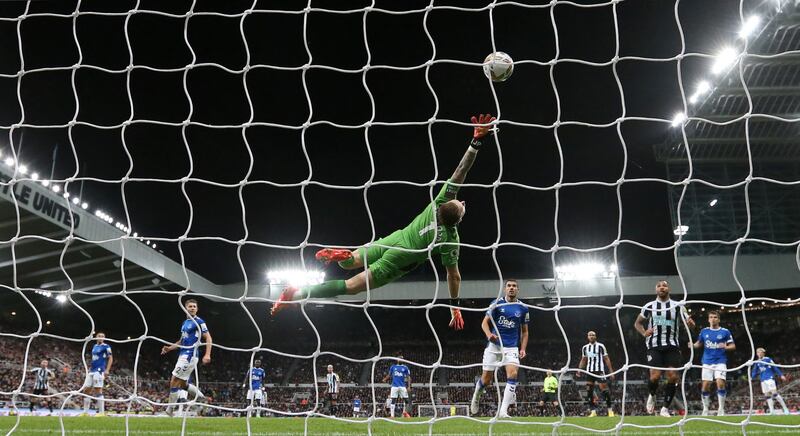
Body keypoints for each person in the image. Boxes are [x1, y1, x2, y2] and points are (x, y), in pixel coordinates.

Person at [271, 114, 500, 331]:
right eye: (462, 205)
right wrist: (454, 306)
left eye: (461, 204)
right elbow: (454, 275)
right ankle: (295, 294)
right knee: (351, 287)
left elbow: (461, 170)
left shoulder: (438, 202)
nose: (462, 201)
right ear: (458, 222)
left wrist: (476, 141)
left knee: (350, 264)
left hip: (392, 239)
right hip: (398, 260)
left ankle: (347, 256)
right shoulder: (451, 239)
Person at [634, 280, 695, 417]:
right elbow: (637, 323)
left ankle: (665, 408)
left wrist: (691, 324)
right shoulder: (649, 306)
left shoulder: (678, 306)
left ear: (669, 289)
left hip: (672, 346)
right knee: (655, 376)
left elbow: (690, 323)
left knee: (673, 376)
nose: (662, 287)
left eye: (665, 285)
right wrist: (644, 332)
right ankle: (652, 394)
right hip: (654, 346)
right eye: (659, 285)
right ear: (656, 289)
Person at [470, 279, 529, 418]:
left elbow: (525, 332)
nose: (511, 288)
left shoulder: (523, 308)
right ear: (505, 289)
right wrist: (489, 335)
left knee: (513, 374)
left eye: (514, 286)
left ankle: (503, 411)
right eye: (509, 286)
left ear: (518, 290)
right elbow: (484, 323)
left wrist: (523, 348)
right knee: (486, 380)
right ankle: (477, 393)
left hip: (511, 348)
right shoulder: (496, 304)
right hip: (494, 346)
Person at [160, 299, 212, 416]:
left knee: (174, 380)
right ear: (185, 308)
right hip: (183, 354)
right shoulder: (185, 323)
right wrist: (169, 348)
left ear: (197, 309)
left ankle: (169, 410)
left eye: (194, 306)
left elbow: (208, 337)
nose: (192, 308)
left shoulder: (199, 321)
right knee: (182, 384)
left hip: (190, 355)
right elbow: (181, 341)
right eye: (190, 306)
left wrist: (207, 354)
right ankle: (202, 398)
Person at [692, 310, 734, 416]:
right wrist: (692, 345)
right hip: (706, 362)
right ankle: (705, 408)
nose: (713, 319)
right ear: (708, 319)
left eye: (715, 317)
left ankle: (721, 409)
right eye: (711, 317)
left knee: (720, 383)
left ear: (718, 319)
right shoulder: (704, 331)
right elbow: (698, 344)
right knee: (705, 385)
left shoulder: (725, 331)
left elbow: (733, 346)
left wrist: (725, 347)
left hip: (720, 361)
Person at [577, 331, 615, 417]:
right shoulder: (585, 348)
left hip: (599, 371)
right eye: (590, 335)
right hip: (589, 371)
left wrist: (611, 372)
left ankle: (610, 410)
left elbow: (606, 359)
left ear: (595, 337)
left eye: (593, 335)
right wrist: (579, 370)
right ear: (587, 337)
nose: (591, 336)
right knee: (589, 391)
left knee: (604, 390)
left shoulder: (601, 346)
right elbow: (583, 359)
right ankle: (593, 411)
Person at [80, 332, 113, 416]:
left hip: (99, 370)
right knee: (86, 390)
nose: (101, 337)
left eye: (103, 336)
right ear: (96, 337)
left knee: (98, 390)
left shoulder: (106, 346)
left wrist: (107, 370)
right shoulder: (94, 346)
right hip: (92, 370)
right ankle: (85, 412)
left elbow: (110, 358)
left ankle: (101, 413)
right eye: (99, 336)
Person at [751, 347, 790, 415]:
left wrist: (781, 375)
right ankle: (772, 411)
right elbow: (754, 371)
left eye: (760, 352)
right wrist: (751, 376)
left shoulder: (768, 359)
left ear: (763, 353)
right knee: (767, 395)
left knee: (774, 393)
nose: (759, 353)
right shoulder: (757, 362)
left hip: (769, 378)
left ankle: (785, 409)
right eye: (758, 352)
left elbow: (775, 367)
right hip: (763, 380)